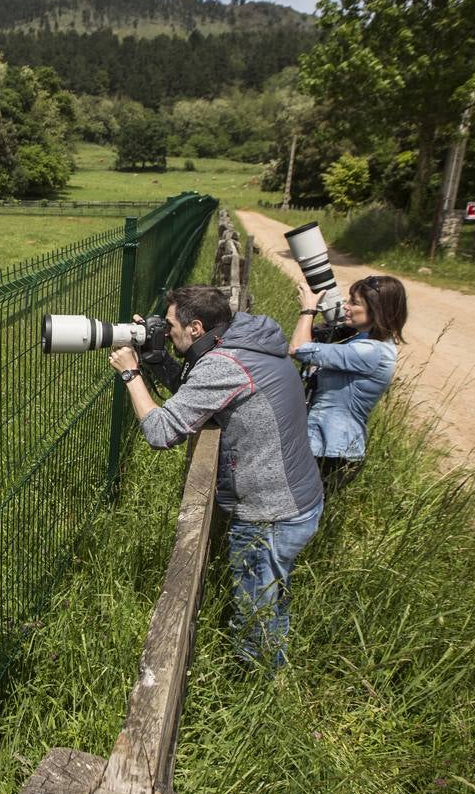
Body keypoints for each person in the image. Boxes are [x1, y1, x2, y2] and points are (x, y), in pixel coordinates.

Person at [110, 286, 323, 668]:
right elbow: (199, 394)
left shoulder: (224, 364)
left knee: (255, 616)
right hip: (297, 498)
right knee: (271, 599)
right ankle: (269, 667)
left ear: (195, 327)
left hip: (269, 514)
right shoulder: (245, 340)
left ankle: (259, 687)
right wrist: (157, 356)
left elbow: (161, 432)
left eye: (170, 325)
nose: (167, 330)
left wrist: (131, 373)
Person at [289, 275, 407, 495]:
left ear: (376, 310)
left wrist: (308, 310)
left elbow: (298, 349)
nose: (346, 307)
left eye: (354, 302)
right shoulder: (363, 341)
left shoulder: (370, 351)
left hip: (330, 450)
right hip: (325, 444)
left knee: (297, 513)